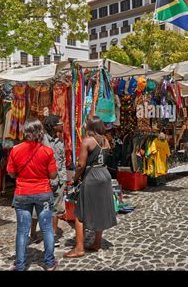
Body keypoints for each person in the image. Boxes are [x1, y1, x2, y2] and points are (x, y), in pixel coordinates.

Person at [7, 118, 58, 271]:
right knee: (47, 228)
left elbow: (11, 172)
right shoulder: (47, 151)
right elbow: (53, 175)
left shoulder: (15, 150)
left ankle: (20, 265)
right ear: (40, 132)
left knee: (22, 230)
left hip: (22, 193)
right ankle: (49, 263)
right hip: (43, 193)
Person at [63, 116, 117, 258]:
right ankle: (97, 242)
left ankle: (79, 247)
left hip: (92, 176)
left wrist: (74, 179)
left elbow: (81, 165)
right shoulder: (106, 141)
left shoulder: (87, 141)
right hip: (104, 175)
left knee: (80, 214)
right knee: (99, 209)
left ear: (90, 127)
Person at [30, 115, 67, 247]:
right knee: (37, 207)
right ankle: (33, 233)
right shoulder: (41, 140)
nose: (62, 125)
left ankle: (53, 235)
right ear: (53, 126)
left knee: (56, 208)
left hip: (58, 180)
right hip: (43, 180)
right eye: (59, 123)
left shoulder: (61, 141)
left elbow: (62, 160)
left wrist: (63, 178)